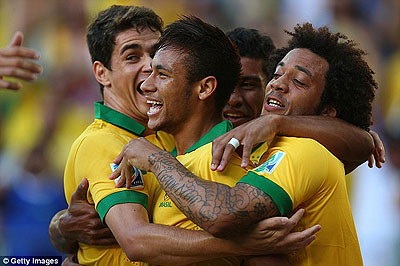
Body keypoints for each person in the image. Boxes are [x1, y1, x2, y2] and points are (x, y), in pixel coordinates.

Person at [49, 7, 317, 266]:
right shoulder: (104, 142)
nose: (147, 70)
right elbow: (136, 241)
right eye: (132, 57)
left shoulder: (175, 137)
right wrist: (246, 243)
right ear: (101, 73)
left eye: (156, 58)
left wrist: (60, 228)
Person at [111, 23, 378, 265]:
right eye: (276, 74)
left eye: (298, 81)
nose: (278, 85)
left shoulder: (305, 150)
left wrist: (157, 160)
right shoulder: (250, 150)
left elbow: (225, 215)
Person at [223, 28, 275, 127]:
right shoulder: (189, 139)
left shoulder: (290, 141)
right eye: (225, 84)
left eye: (248, 85)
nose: (233, 100)